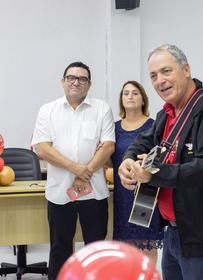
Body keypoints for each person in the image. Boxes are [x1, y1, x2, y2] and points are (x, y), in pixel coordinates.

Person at [118, 44, 203, 280]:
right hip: (174, 231)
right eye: (153, 76)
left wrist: (154, 174)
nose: (160, 81)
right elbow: (142, 142)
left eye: (167, 71)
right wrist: (126, 160)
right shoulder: (167, 113)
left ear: (186, 69)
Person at [31, 61, 115, 280]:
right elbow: (43, 148)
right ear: (63, 81)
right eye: (71, 78)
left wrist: (83, 175)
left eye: (82, 79)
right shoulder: (48, 110)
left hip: (94, 193)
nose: (76, 82)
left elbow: (108, 146)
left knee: (95, 250)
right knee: (60, 249)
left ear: (89, 84)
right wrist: (78, 169)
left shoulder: (102, 109)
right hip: (59, 194)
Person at [110, 81, 163, 266]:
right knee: (124, 248)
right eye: (126, 93)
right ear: (121, 100)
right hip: (121, 194)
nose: (130, 97)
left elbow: (160, 158)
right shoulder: (113, 128)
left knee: (146, 246)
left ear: (143, 99)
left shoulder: (153, 126)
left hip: (145, 193)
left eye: (135, 93)